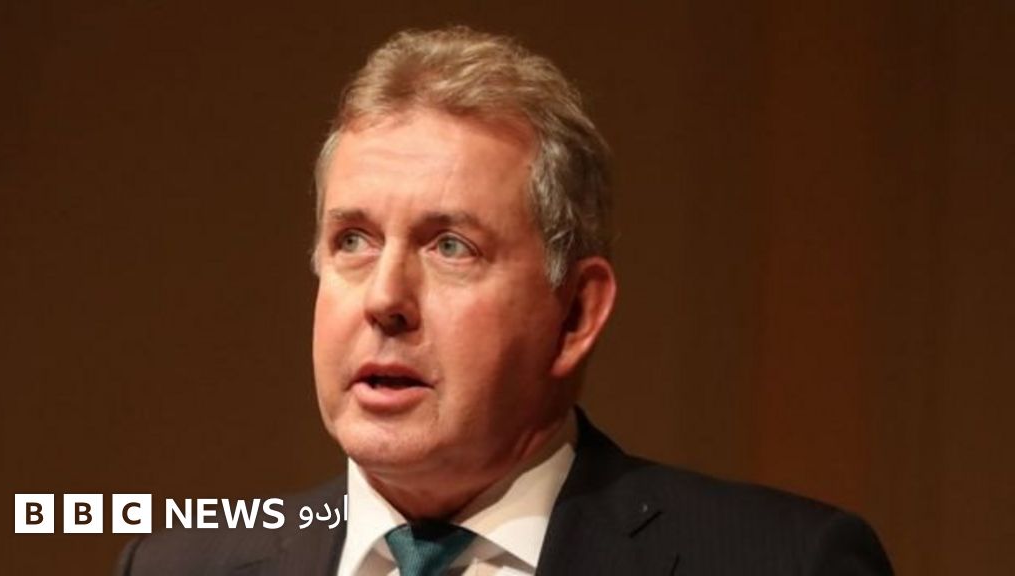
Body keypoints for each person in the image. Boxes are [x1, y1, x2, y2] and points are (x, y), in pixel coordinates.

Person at [115, 26, 893, 575]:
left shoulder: (784, 562)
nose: (385, 298)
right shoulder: (177, 566)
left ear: (575, 315)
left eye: (451, 247)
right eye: (353, 240)